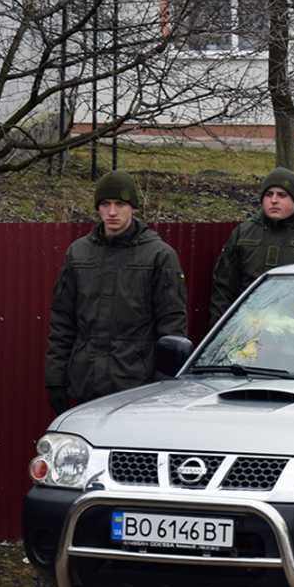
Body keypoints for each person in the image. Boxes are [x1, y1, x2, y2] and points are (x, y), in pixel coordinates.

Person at [46, 172, 189, 414]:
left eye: (120, 204)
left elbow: (172, 325)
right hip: (86, 381)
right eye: (105, 204)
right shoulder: (78, 253)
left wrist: (163, 383)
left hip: (136, 384)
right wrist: (55, 377)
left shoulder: (159, 256)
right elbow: (62, 321)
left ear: (132, 207)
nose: (112, 212)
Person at [209, 167, 294, 324]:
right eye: (269, 194)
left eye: (282, 195)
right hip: (247, 325)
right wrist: (221, 326)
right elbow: (223, 286)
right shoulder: (244, 233)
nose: (274, 200)